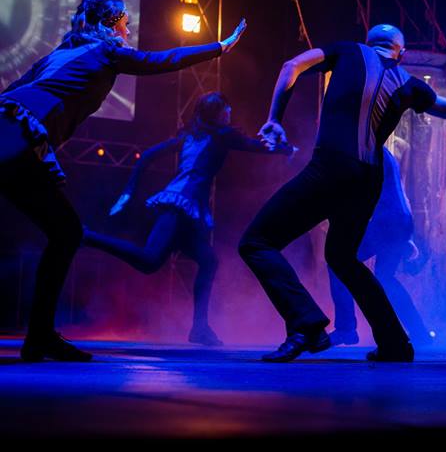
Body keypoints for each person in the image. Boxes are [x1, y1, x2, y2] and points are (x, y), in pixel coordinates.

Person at [239, 24, 446, 362]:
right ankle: (395, 343)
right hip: (368, 179)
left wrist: (274, 119)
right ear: (401, 53)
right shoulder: (408, 82)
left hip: (332, 166)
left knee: (257, 242)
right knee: (343, 258)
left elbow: (291, 66)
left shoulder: (348, 50)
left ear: (368, 43)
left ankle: (306, 323)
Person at [0, 0, 244, 361]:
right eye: (125, 24)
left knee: (65, 231)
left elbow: (12, 91)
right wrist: (220, 47)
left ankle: (40, 337)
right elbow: (162, 60)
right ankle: (40, 337)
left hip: (11, 131)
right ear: (110, 24)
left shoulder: (59, 54)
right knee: (66, 231)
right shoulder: (107, 52)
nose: (128, 32)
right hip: (16, 136)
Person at [85, 92, 293, 346]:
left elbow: (148, 155)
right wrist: (285, 149)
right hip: (179, 205)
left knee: (208, 260)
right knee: (149, 260)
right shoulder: (222, 135)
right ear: (217, 113)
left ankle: (200, 328)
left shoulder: (192, 136)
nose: (230, 112)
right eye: (226, 108)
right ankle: (87, 236)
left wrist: (128, 193)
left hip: (187, 208)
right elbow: (253, 146)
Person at [326, 147, 431, 347]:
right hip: (399, 220)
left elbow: (363, 192)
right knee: (384, 278)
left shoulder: (365, 149)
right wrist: (406, 233)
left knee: (337, 260)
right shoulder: (380, 151)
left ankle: (346, 328)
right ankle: (420, 333)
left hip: (387, 222)